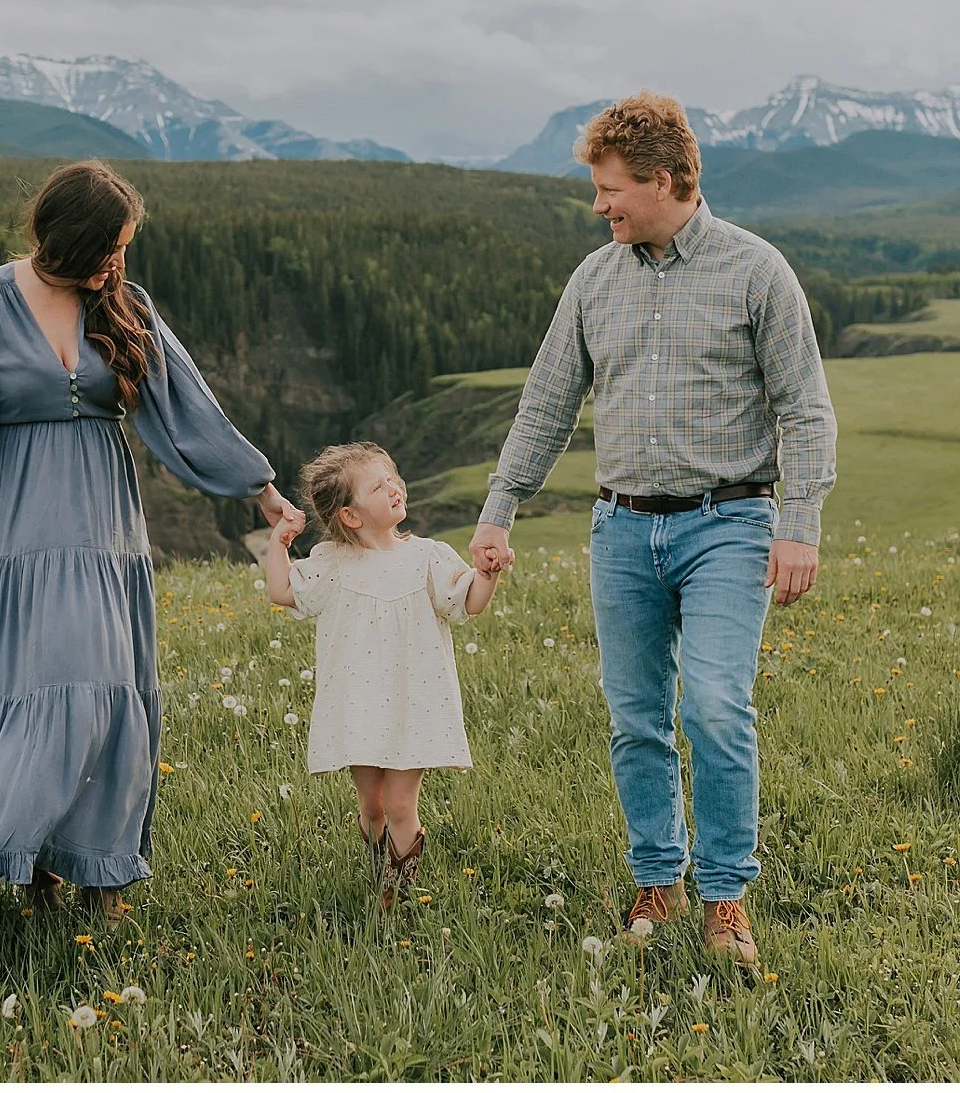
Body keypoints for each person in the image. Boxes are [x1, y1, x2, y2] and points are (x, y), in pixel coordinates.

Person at [0, 159, 303, 917]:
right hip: (13, 523)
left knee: (102, 693)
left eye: (125, 248)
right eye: (108, 247)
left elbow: (188, 405)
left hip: (103, 528)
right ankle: (20, 861)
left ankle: (97, 870)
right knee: (25, 685)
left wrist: (258, 487)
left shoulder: (125, 304)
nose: (117, 263)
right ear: (64, 239)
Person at [467, 91, 836, 967]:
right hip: (623, 530)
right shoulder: (593, 281)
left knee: (714, 705)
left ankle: (725, 897)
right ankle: (656, 883)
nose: (600, 206)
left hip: (730, 524)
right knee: (635, 717)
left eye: (611, 190)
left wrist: (802, 525)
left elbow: (806, 411)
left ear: (664, 180)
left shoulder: (757, 272)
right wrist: (498, 507)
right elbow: (546, 405)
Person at [261, 442, 497, 909]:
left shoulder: (429, 556)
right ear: (350, 516)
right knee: (372, 806)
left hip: (413, 702)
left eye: (393, 478)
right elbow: (282, 590)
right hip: (357, 705)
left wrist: (487, 575)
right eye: (378, 485)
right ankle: (380, 869)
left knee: (401, 805)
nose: (394, 488)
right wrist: (279, 542)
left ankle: (397, 899)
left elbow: (466, 602)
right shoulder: (331, 562)